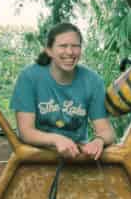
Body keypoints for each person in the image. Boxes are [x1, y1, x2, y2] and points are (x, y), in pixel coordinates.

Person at [10, 22, 116, 159]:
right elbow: (25, 132)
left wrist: (99, 140)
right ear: (49, 50)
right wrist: (56, 139)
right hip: (37, 156)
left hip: (77, 157)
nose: (70, 52)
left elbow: (106, 130)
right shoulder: (29, 77)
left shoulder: (93, 81)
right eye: (63, 46)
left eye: (75, 46)